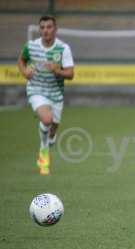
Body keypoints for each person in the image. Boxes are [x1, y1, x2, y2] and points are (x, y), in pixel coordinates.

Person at [17, 15, 74, 175]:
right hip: (36, 89)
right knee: (47, 120)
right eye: (42, 27)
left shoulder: (63, 48)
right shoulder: (31, 46)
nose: (45, 30)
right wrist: (25, 72)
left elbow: (70, 74)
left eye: (49, 27)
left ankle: (49, 140)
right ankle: (43, 152)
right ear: (39, 29)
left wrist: (57, 71)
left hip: (56, 92)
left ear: (55, 29)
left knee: (53, 128)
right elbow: (21, 60)